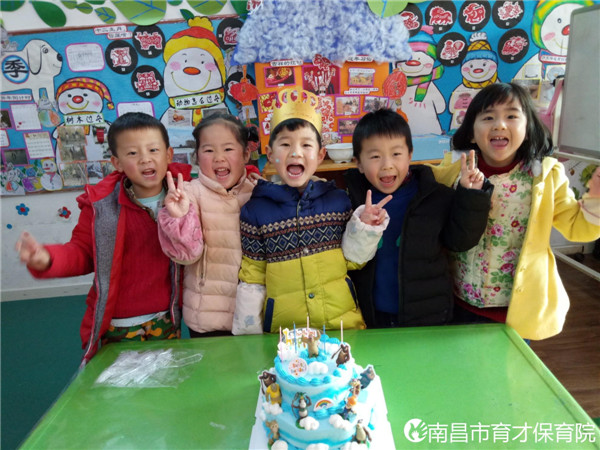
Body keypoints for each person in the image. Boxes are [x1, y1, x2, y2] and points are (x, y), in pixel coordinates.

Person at [15, 112, 192, 363]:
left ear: (169, 154)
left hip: (168, 317)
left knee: (167, 379)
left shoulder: (188, 192)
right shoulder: (101, 206)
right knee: (121, 385)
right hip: (120, 323)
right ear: (117, 163)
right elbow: (82, 252)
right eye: (132, 153)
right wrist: (47, 258)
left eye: (153, 149)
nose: (145, 159)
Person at [430, 82, 600, 340]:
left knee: (511, 365)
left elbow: (578, 228)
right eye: (488, 117)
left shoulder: (544, 177)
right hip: (458, 301)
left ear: (528, 130)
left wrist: (596, 200)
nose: (499, 125)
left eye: (511, 116)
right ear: (472, 133)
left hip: (517, 311)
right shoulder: (451, 173)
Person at [233, 88, 390, 334]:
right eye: (285, 144)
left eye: (306, 145)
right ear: (270, 154)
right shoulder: (255, 211)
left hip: (341, 328)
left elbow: (353, 260)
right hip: (286, 334)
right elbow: (253, 278)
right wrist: (247, 336)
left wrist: (365, 228)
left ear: (320, 155)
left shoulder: (338, 201)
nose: (296, 152)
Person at [345, 108, 493, 328]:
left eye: (396, 154)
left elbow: (460, 241)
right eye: (375, 156)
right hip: (371, 317)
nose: (387, 164)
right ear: (358, 162)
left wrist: (471, 195)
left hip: (427, 316)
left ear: (410, 155)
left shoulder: (435, 196)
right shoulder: (350, 201)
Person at [157, 113, 257, 337]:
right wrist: (178, 218)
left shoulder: (258, 192)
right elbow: (186, 256)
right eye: (209, 150)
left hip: (252, 314)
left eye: (228, 149)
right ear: (196, 157)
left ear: (246, 154)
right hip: (206, 315)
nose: (219, 158)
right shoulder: (187, 195)